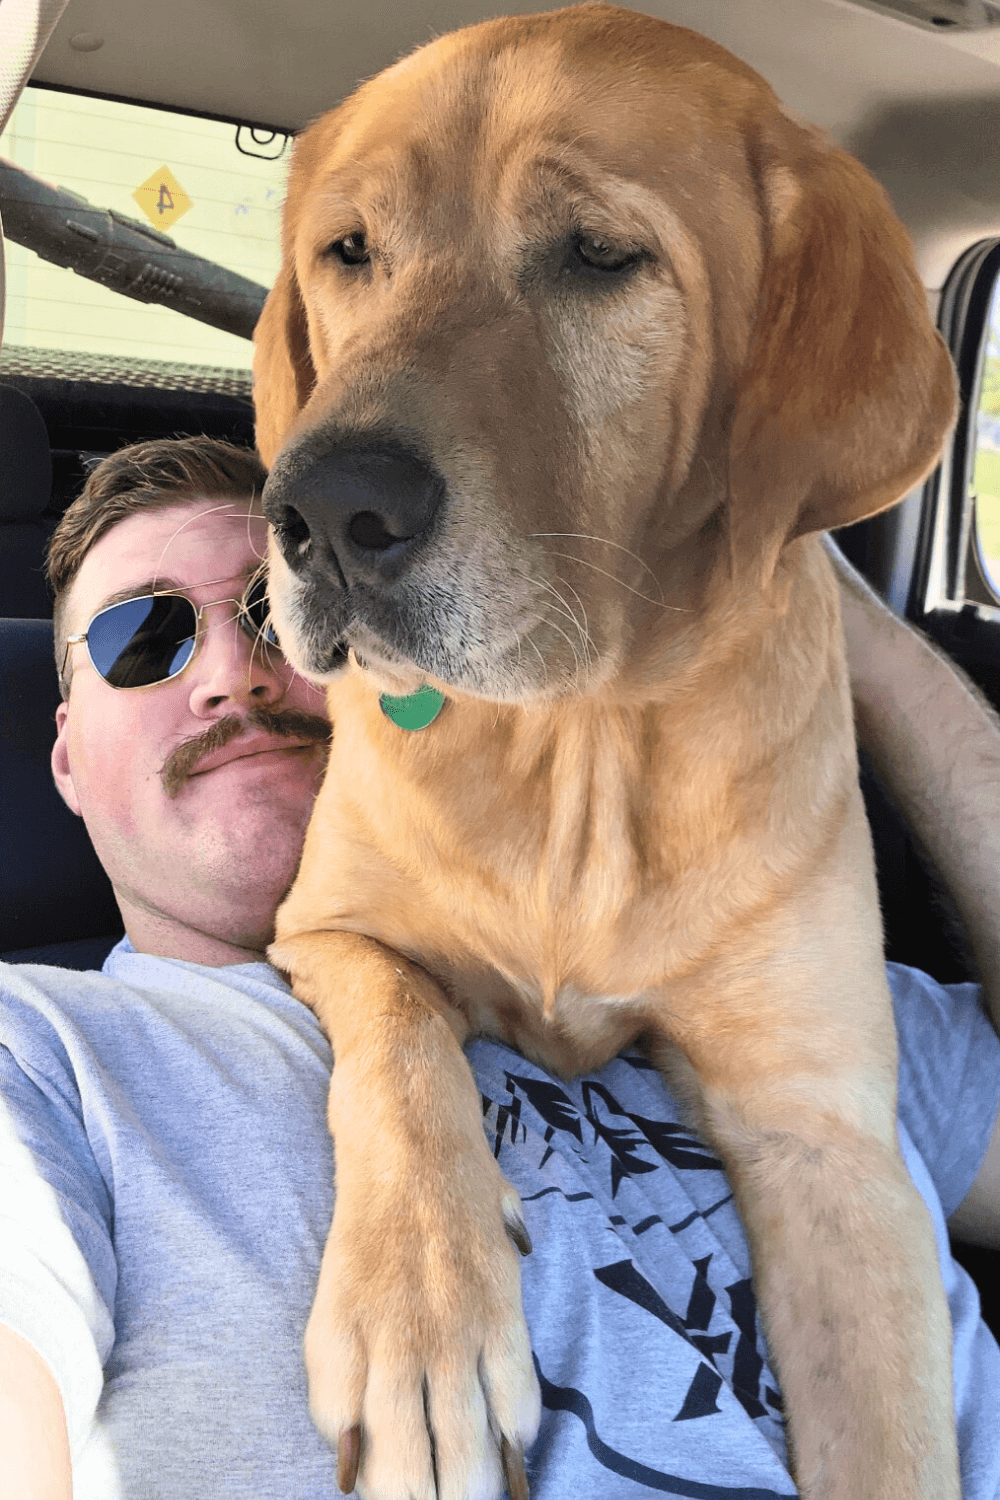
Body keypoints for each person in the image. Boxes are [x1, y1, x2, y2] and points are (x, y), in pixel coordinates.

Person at [1, 435, 998, 1500]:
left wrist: (841, 624)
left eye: (276, 611)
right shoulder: (44, 1059)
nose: (229, 675)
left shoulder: (727, 962)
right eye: (141, 638)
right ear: (65, 757)